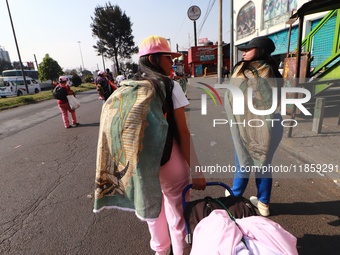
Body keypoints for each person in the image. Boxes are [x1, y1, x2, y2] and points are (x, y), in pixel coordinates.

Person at [136, 35, 206, 255]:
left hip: (142, 162)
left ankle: (160, 251)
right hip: (169, 158)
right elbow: (182, 132)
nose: (172, 62)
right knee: (177, 210)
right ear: (154, 59)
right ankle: (180, 251)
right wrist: (196, 168)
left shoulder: (130, 86)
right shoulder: (170, 86)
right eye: (168, 57)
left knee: (153, 212)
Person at [225, 36, 283, 217]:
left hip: (246, 125)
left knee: (242, 162)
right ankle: (263, 203)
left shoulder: (243, 71)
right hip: (271, 126)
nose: (244, 53)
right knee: (263, 163)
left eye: (248, 49)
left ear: (259, 50)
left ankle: (234, 198)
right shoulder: (273, 70)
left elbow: (232, 98)